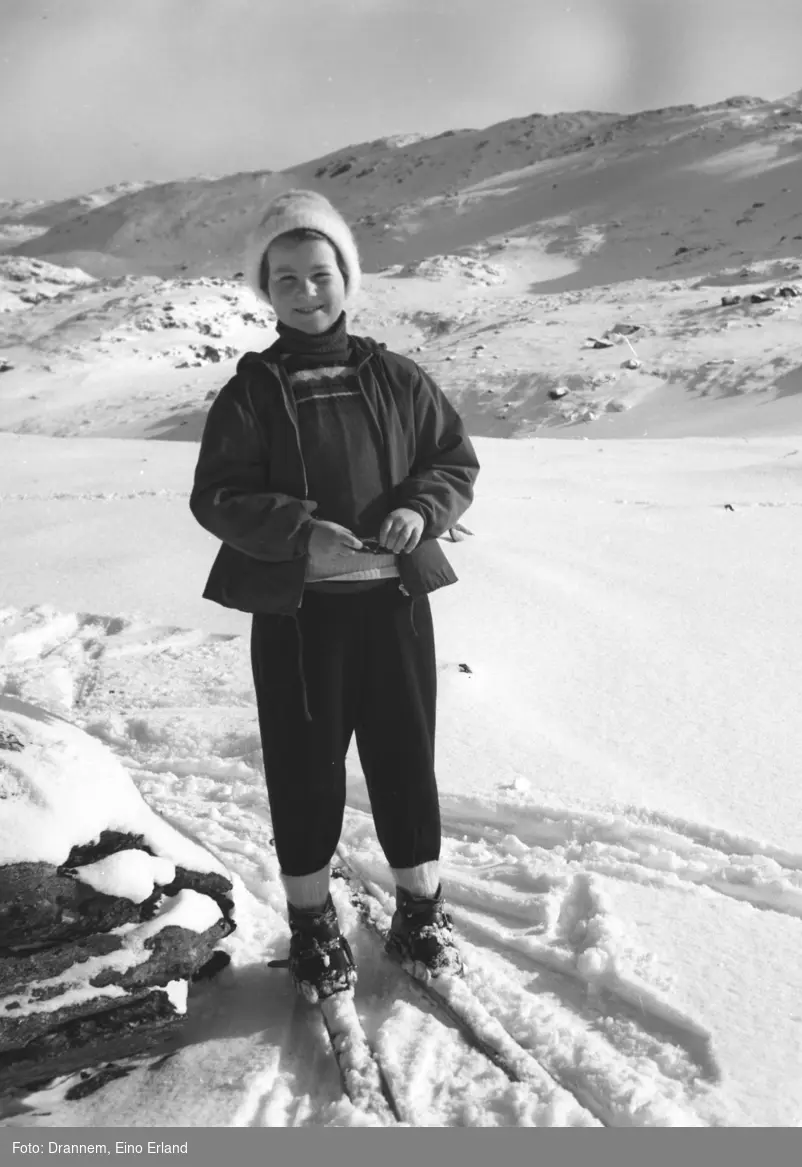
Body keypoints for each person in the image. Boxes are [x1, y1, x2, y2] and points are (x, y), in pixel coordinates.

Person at [190, 189, 480, 1003]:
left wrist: (420, 510)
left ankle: (420, 909)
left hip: (392, 608)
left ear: (347, 278)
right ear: (266, 290)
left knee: (403, 760)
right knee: (304, 768)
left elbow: (452, 462)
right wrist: (300, 530)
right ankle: (314, 920)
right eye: (286, 278)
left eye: (320, 274)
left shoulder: (398, 378)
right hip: (297, 619)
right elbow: (217, 495)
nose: (306, 292)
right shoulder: (250, 394)